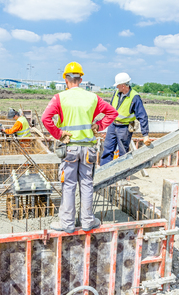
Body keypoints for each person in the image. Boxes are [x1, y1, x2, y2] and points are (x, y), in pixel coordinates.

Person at [42, 61, 118, 233]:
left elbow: (45, 119)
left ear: (66, 80)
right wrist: (98, 126)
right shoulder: (92, 98)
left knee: (68, 185)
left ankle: (67, 224)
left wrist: (59, 133)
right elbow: (112, 113)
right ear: (81, 79)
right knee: (86, 184)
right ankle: (87, 221)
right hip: (88, 150)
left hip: (69, 148)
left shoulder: (60, 98)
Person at [100, 73, 151, 166]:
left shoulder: (134, 97)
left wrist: (145, 135)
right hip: (112, 125)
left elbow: (142, 116)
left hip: (124, 128)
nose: (117, 88)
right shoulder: (116, 94)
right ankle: (103, 174)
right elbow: (110, 110)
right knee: (107, 150)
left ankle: (121, 176)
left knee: (123, 153)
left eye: (118, 85)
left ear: (123, 86)